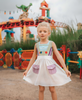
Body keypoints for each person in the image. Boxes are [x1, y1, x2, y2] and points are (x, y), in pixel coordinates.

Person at [23, 22, 71, 100]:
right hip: (40, 69)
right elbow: (33, 58)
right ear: (38, 33)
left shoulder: (51, 43)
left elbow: (59, 56)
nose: (42, 33)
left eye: (44, 31)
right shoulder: (37, 45)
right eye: (40, 31)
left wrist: (65, 69)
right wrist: (27, 70)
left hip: (49, 68)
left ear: (48, 33)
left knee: (52, 89)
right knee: (41, 89)